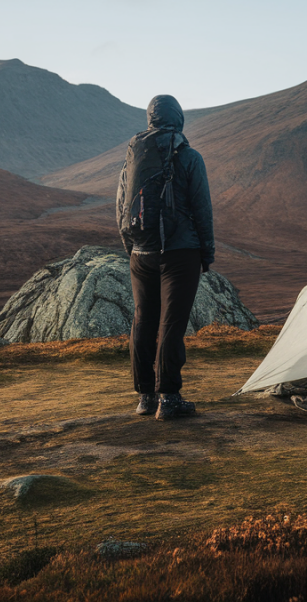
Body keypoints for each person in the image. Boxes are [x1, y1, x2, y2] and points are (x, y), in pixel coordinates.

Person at [116, 95, 214, 420]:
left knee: (143, 321)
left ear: (150, 120)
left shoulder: (133, 159)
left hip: (141, 253)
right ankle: (169, 398)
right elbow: (202, 209)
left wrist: (132, 248)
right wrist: (206, 253)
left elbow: (121, 208)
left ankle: (145, 397)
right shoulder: (189, 157)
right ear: (178, 119)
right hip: (180, 254)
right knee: (171, 324)